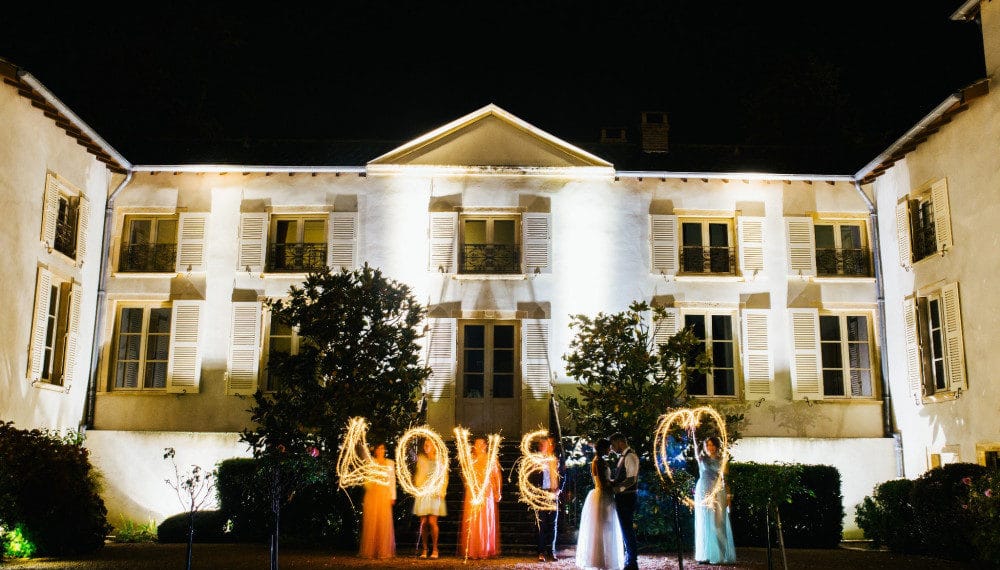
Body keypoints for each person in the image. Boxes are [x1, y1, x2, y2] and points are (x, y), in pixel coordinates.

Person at [575, 438, 626, 570]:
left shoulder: (598, 461)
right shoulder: (599, 462)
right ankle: (602, 560)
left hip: (601, 495)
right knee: (604, 527)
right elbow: (604, 483)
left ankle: (602, 560)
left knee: (603, 527)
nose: (610, 450)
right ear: (603, 448)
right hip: (603, 496)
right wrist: (619, 483)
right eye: (608, 448)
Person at [692, 435, 736, 565]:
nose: (709, 447)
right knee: (704, 523)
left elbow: (725, 479)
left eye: (712, 445)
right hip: (703, 492)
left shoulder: (723, 460)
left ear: (716, 446)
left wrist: (728, 496)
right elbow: (695, 447)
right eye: (707, 445)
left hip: (718, 492)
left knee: (718, 523)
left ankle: (721, 556)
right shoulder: (701, 459)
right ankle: (705, 555)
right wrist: (693, 431)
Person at [458, 436, 502, 559]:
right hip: (473, 493)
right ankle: (473, 550)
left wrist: (498, 491)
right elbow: (465, 474)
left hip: (486, 492)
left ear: (485, 445)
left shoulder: (491, 458)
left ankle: (484, 549)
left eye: (481, 444)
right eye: (476, 444)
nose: (479, 446)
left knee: (484, 520)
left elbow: (497, 475)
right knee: (473, 520)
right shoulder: (470, 459)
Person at [358, 442, 396, 559]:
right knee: (372, 523)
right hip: (373, 495)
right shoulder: (371, 462)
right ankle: (371, 551)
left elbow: (392, 480)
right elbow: (367, 479)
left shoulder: (390, 463)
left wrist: (393, 496)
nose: (381, 450)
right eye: (378, 448)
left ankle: (383, 551)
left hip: (384, 495)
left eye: (382, 448)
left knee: (383, 523)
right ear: (375, 450)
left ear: (385, 450)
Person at [412, 436, 448, 559]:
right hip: (423, 493)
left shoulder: (440, 460)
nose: (426, 446)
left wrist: (442, 491)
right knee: (423, 522)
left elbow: (444, 477)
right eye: (425, 444)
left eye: (429, 444)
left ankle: (435, 549)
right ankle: (425, 549)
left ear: (434, 446)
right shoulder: (421, 459)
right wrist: (417, 488)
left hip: (435, 494)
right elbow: (418, 476)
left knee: (432, 522)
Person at [610, 433, 639, 570]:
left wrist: (617, 489)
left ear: (620, 442)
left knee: (627, 529)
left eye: (613, 444)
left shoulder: (630, 456)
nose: (612, 448)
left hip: (627, 496)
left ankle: (632, 561)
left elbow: (631, 479)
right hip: (623, 496)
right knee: (625, 528)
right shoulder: (623, 457)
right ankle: (630, 558)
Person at [534, 436, 561, 562]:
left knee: (553, 524)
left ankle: (552, 551)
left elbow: (564, 475)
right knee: (542, 524)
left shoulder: (556, 459)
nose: (546, 446)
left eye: (548, 444)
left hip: (553, 494)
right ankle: (541, 552)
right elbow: (532, 478)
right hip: (542, 494)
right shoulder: (536, 461)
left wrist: (559, 489)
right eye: (544, 444)